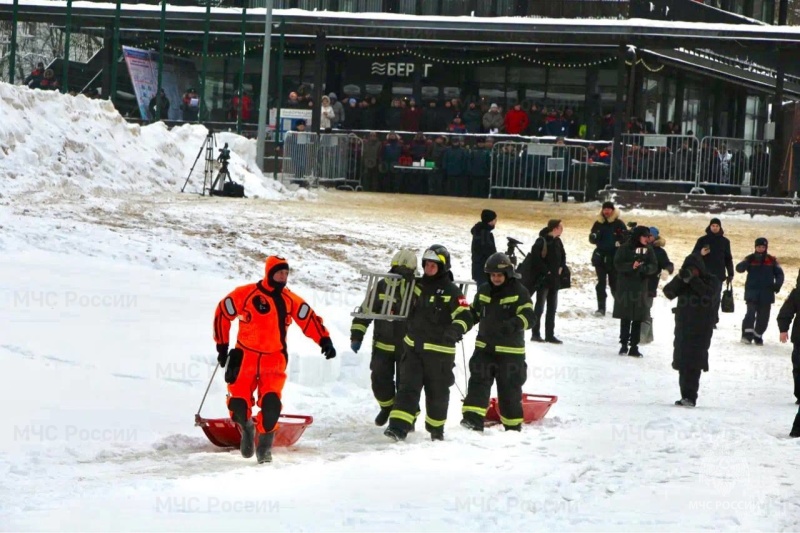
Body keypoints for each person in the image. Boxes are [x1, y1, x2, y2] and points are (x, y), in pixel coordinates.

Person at [213, 256, 337, 463]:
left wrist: (324, 340)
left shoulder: (290, 299)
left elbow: (308, 318)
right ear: (269, 273)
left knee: (271, 405)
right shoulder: (246, 294)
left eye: (286, 273)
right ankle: (247, 427)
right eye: (279, 272)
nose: (283, 277)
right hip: (244, 358)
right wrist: (222, 344)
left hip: (274, 360)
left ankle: (264, 447)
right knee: (238, 405)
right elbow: (223, 312)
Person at [384, 245, 474, 442]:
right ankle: (398, 428)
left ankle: (436, 431)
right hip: (413, 350)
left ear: (442, 267)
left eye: (434, 265)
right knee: (407, 389)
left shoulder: (452, 291)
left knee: (437, 394)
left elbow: (466, 315)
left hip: (439, 355)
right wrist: (404, 277)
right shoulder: (416, 286)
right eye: (427, 264)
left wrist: (455, 329)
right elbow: (398, 297)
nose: (429, 268)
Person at [460, 252, 535, 433]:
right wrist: (459, 327)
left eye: (499, 275)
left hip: (510, 354)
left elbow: (529, 317)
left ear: (508, 274)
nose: (496, 278)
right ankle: (472, 421)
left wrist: (513, 324)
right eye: (492, 275)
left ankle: (512, 427)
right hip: (484, 349)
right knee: (478, 385)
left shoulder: (519, 291)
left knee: (509, 391)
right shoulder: (484, 290)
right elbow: (473, 313)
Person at [350, 249, 418, 426]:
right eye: (397, 270)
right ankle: (387, 407)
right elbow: (365, 311)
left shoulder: (417, 288)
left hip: (408, 347)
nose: (400, 274)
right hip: (383, 345)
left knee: (407, 385)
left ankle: (407, 418)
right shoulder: (381, 286)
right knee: (379, 381)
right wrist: (357, 335)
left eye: (405, 271)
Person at [662, 252, 716, 407]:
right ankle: (685, 395)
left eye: (694, 269)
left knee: (694, 362)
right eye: (689, 269)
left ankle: (691, 397)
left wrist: (694, 280)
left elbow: (708, 295)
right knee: (682, 361)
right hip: (683, 327)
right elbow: (668, 292)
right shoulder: (683, 281)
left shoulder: (710, 280)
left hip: (701, 328)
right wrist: (680, 278)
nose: (691, 272)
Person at [613, 226, 658, 357]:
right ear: (638, 236)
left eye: (648, 236)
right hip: (626, 286)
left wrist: (644, 269)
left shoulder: (648, 249)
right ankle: (623, 345)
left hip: (640, 287)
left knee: (638, 318)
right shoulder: (625, 248)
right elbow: (617, 264)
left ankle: (634, 346)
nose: (647, 239)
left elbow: (654, 265)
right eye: (644, 236)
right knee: (626, 317)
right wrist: (631, 266)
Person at [736, 237, 784, 345]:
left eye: (763, 247)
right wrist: (745, 262)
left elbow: (780, 274)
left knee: (763, 317)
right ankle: (746, 336)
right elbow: (739, 269)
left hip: (767, 293)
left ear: (766, 247)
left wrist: (777, 285)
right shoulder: (750, 258)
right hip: (752, 292)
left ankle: (758, 335)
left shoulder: (771, 260)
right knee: (750, 314)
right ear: (755, 247)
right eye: (758, 247)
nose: (761, 249)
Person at [527, 219, 567, 343]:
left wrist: (561, 267)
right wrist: (547, 271)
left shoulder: (558, 241)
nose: (562, 230)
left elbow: (563, 256)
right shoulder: (542, 241)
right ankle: (535, 333)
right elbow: (536, 259)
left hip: (555, 280)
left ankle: (550, 335)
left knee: (552, 308)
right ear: (555, 228)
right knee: (540, 307)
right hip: (543, 280)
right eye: (561, 227)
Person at [691, 217, 734, 327]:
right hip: (703, 274)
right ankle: (702, 318)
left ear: (720, 227)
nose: (715, 228)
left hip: (718, 275)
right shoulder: (702, 240)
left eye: (717, 226)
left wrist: (730, 273)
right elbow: (693, 255)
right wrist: (700, 253)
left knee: (715, 298)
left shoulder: (725, 242)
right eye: (713, 226)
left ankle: (713, 320)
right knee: (703, 297)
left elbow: (728, 259)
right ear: (709, 227)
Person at [589, 201, 627, 316]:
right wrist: (593, 237)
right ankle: (601, 308)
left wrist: (620, 241)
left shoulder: (619, 223)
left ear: (612, 210)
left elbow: (626, 238)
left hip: (614, 258)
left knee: (614, 283)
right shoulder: (598, 223)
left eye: (608, 209)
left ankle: (620, 308)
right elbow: (592, 239)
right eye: (604, 209)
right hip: (600, 257)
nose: (606, 211)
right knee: (601, 283)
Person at [640, 227, 674, 344]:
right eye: (647, 235)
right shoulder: (639, 247)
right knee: (639, 309)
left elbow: (669, 264)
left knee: (645, 309)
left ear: (655, 237)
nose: (648, 238)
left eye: (651, 236)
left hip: (650, 285)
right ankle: (647, 337)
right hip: (637, 284)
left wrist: (666, 271)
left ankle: (642, 336)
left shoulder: (659, 252)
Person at [777, 268, 800, 407]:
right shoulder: (797, 293)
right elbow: (786, 311)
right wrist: (783, 329)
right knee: (798, 366)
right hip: (799, 337)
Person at [470, 209, 497, 284]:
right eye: (495, 219)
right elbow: (488, 252)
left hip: (479, 270)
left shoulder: (480, 232)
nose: (496, 221)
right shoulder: (484, 234)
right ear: (490, 221)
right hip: (484, 271)